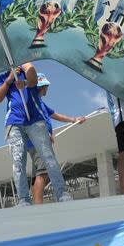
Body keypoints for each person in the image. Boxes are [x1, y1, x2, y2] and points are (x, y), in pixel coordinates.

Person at [0, 63, 71, 206]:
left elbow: (33, 79)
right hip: (14, 122)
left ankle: (62, 193)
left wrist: (26, 82)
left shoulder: (27, 70)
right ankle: (23, 199)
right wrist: (9, 80)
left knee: (48, 156)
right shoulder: (2, 78)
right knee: (18, 161)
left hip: (35, 120)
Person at [26, 73, 86, 203]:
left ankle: (37, 204)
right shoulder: (31, 101)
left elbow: (55, 114)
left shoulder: (40, 103)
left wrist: (74, 119)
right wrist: (44, 134)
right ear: (43, 86)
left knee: (40, 174)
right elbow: (32, 121)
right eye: (46, 86)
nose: (47, 89)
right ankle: (38, 207)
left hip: (39, 142)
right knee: (44, 172)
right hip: (38, 142)